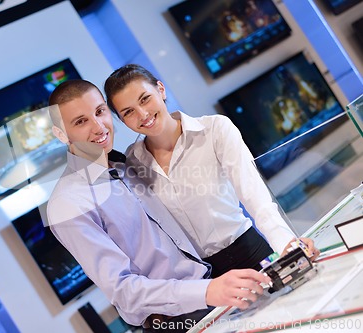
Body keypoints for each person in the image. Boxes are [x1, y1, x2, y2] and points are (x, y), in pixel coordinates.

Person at [46, 79, 271, 332]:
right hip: (175, 322)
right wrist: (207, 291)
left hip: (214, 293)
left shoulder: (127, 165)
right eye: (80, 121)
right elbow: (123, 291)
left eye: (99, 111)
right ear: (61, 134)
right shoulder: (67, 204)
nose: (99, 127)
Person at [104, 64, 320, 278]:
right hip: (203, 280)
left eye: (145, 99)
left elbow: (255, 197)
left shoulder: (215, 129)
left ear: (160, 89)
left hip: (250, 254)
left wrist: (287, 246)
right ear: (122, 120)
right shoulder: (132, 162)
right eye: (128, 112)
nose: (142, 114)